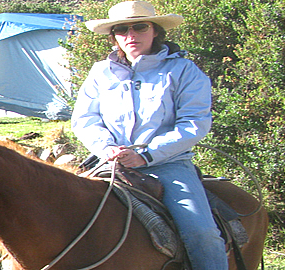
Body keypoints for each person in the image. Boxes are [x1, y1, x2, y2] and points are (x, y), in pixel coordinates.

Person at [72, 1, 227, 269]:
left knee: (202, 232)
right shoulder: (100, 72)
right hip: (108, 162)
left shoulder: (184, 71)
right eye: (122, 29)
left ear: (155, 31)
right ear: (114, 36)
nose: (131, 35)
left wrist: (146, 155)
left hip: (168, 164)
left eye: (140, 27)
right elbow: (85, 119)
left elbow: (194, 123)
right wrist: (106, 148)